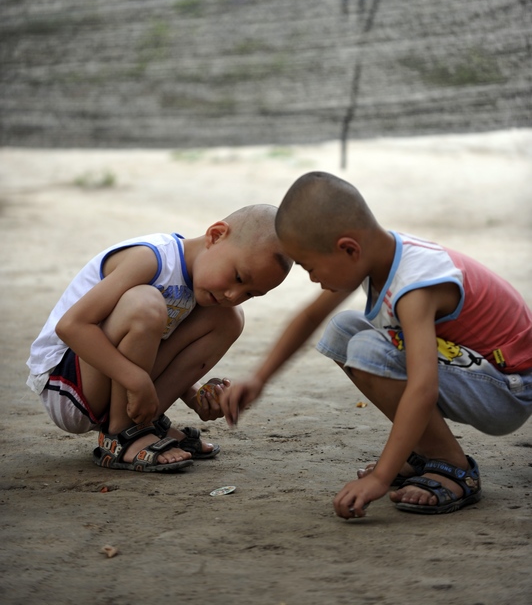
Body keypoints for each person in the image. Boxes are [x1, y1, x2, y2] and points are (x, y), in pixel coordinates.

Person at [221, 171, 532, 516]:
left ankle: (453, 466)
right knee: (344, 329)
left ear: (348, 249)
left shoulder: (414, 287)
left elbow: (422, 387)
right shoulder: (378, 256)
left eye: (311, 267)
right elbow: (310, 317)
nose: (313, 278)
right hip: (475, 370)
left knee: (370, 351)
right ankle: (425, 448)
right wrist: (259, 377)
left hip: (508, 390)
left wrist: (381, 477)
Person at [27, 204, 292, 473]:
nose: (234, 295)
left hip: (113, 380)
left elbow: (152, 343)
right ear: (215, 235)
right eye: (238, 277)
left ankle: (144, 424)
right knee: (145, 304)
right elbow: (71, 327)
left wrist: (194, 395)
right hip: (67, 381)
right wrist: (136, 379)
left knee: (229, 318)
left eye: (251, 293)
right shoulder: (153, 259)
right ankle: (122, 434)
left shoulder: (199, 284)